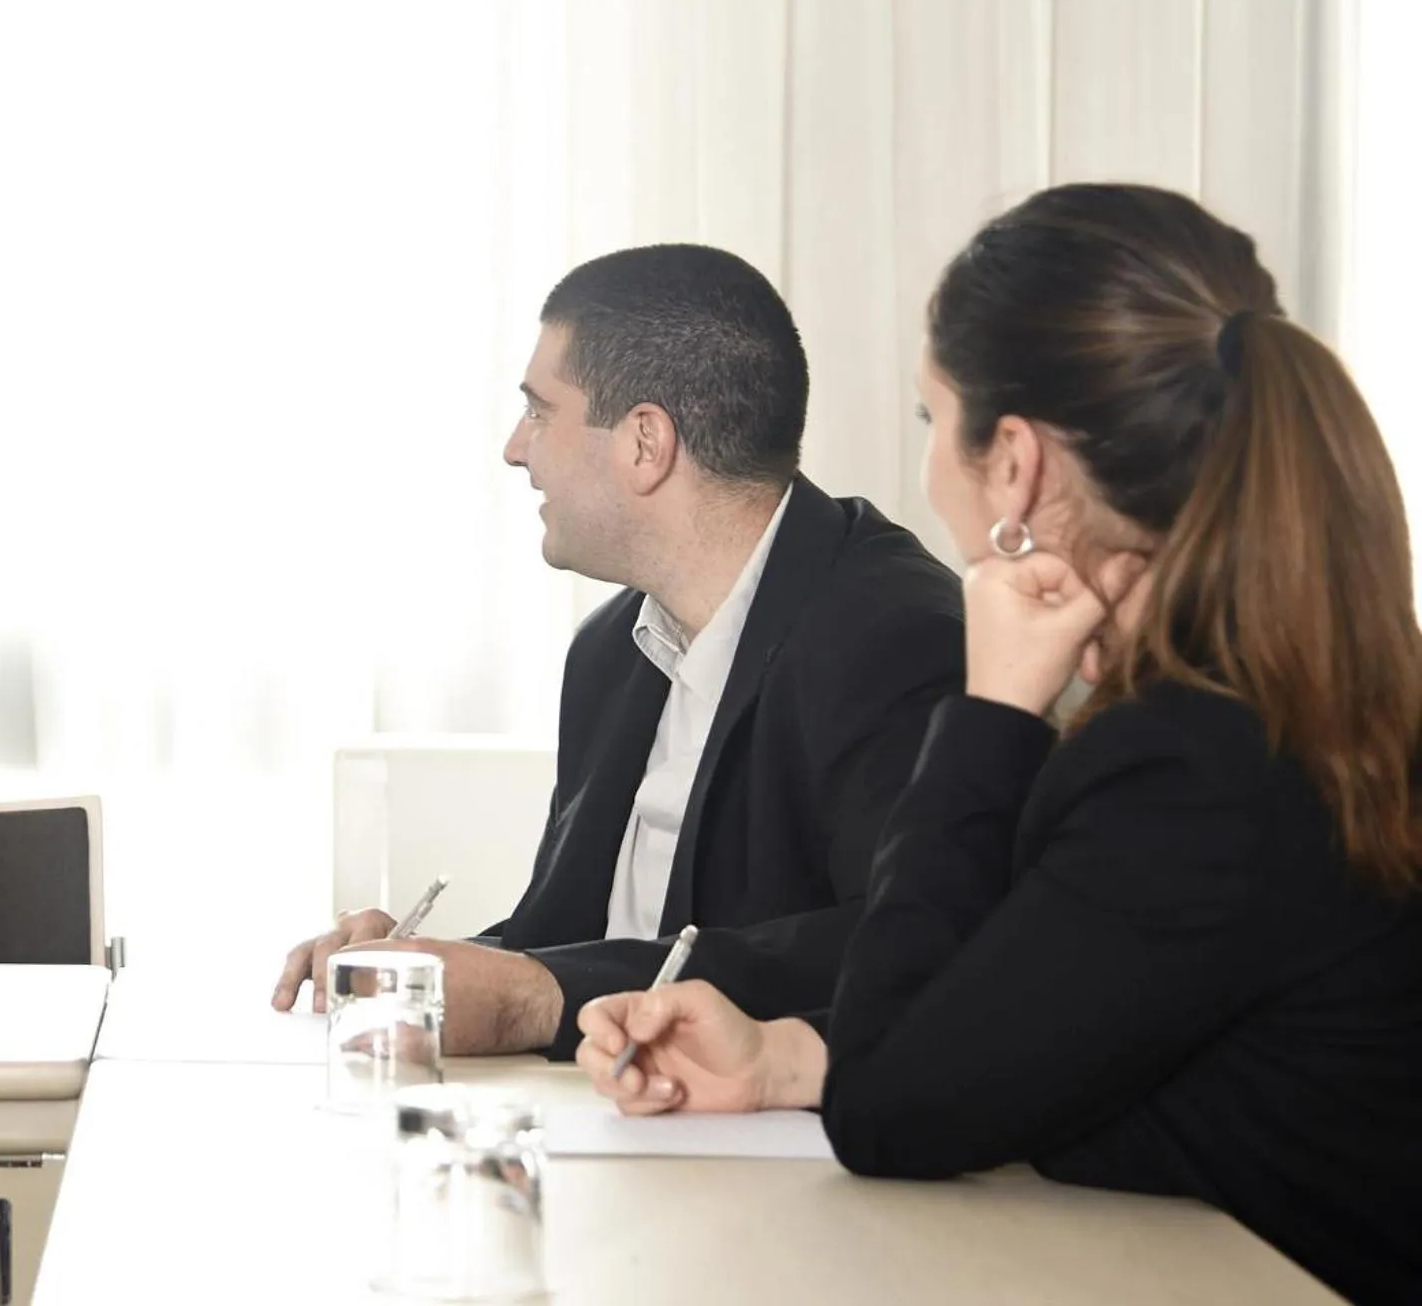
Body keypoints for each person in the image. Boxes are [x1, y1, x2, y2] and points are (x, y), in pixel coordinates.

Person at [574, 186, 1422, 1306]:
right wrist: (783, 1056)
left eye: (934, 422)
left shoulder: (1185, 763)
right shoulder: (1262, 705)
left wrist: (989, 714)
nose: (926, 466)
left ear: (1013, 462)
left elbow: (896, 1114)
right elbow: (1035, 1026)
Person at [272, 243, 963, 1057]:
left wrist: (533, 996)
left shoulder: (894, 634)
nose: (514, 448)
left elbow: (912, 950)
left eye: (539, 410)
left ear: (645, 443)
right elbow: (573, 943)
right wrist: (427, 968)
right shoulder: (611, 651)